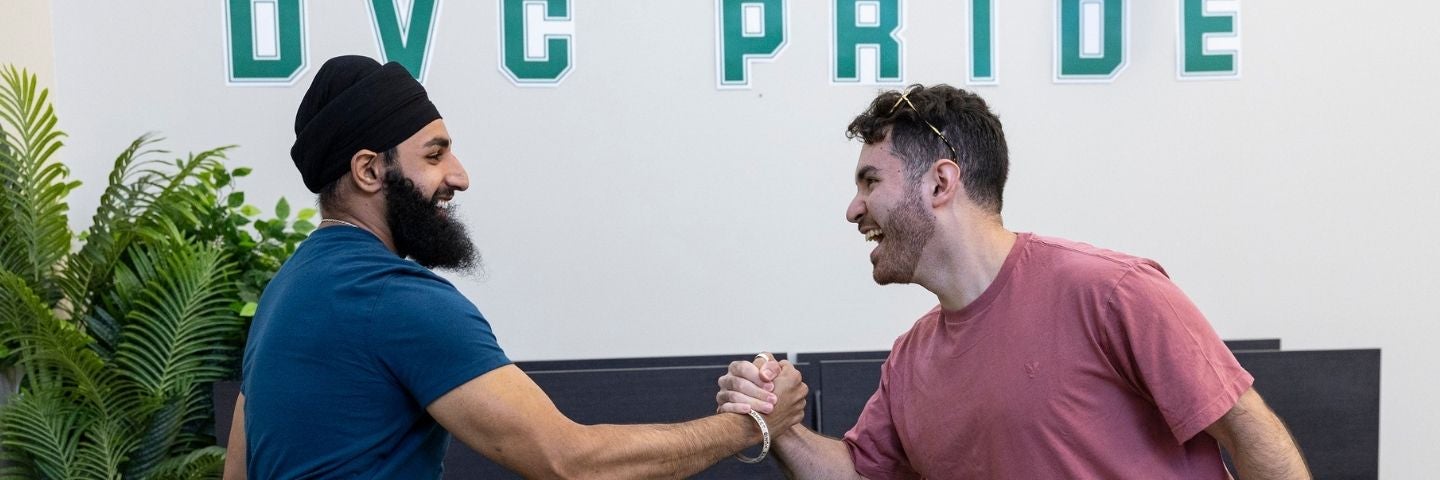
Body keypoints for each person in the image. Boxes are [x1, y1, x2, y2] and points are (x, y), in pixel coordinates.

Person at [222, 55, 807, 479]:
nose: (459, 175)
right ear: (370, 171)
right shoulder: (397, 300)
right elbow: (569, 462)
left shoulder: (283, 293)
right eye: (434, 153)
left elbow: (238, 472)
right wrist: (752, 424)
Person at [715, 84, 1310, 479]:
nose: (853, 208)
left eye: (870, 181)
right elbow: (856, 473)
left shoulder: (1113, 292)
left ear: (940, 184)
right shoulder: (909, 360)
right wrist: (777, 426)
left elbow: (1247, 431)